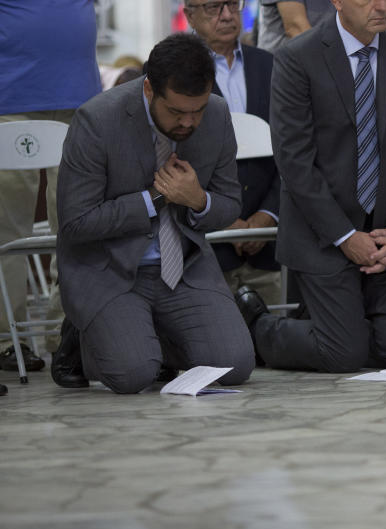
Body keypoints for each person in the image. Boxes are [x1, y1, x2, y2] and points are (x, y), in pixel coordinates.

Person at [235, 0, 386, 372]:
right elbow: (295, 162)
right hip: (325, 234)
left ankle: (340, 329)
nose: (381, 5)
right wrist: (346, 237)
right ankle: (258, 325)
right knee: (343, 355)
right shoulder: (298, 58)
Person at [55, 33, 255, 394]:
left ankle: (145, 334)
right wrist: (155, 199)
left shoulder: (217, 112)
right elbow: (75, 223)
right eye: (177, 112)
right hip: (110, 269)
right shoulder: (96, 120)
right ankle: (83, 336)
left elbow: (228, 204)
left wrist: (197, 199)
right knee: (133, 375)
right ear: (149, 90)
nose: (189, 122)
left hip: (185, 269)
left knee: (235, 366)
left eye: (197, 110)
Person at [0, 0, 101, 376]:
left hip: (79, 104)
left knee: (78, 224)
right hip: (10, 104)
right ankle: (7, 339)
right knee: (8, 228)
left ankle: (71, 334)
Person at [184, 0, 282, 306]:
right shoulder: (174, 72)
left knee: (276, 339)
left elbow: (295, 151)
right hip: (204, 242)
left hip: (269, 240)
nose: (227, 15)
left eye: (233, 4)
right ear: (190, 15)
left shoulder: (270, 66)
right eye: (213, 7)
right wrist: (224, 217)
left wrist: (268, 215)